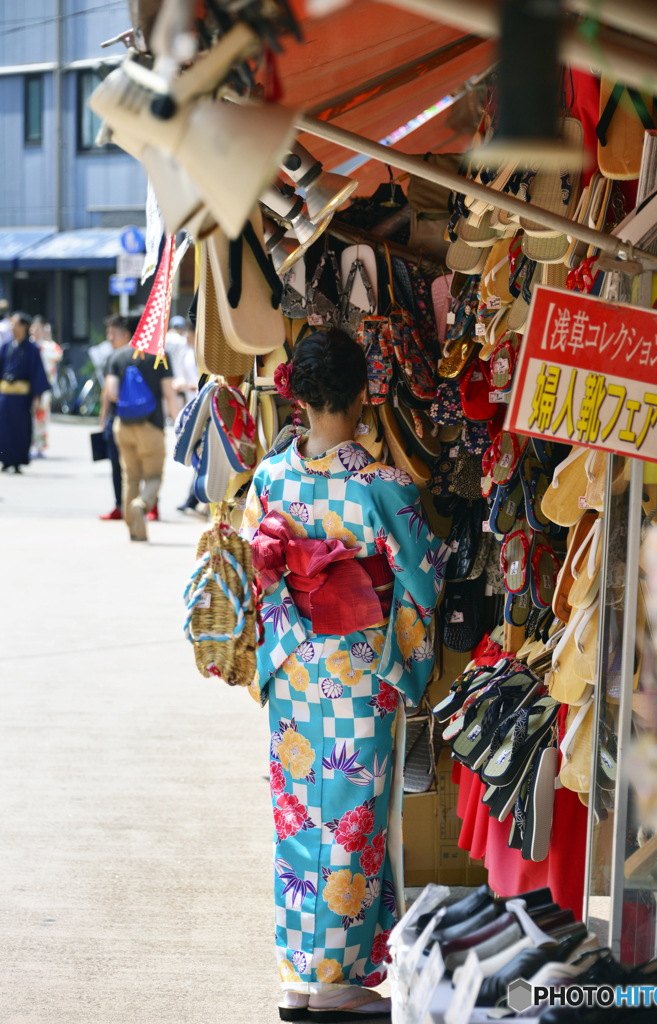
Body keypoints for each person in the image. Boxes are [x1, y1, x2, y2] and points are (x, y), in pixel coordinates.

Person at [239, 330, 449, 1021]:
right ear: (365, 392)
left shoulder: (271, 477)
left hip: (295, 671)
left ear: (296, 395)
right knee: (352, 820)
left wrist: (280, 643)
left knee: (297, 817)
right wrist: (410, 663)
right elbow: (420, 580)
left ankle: (299, 973)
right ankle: (335, 980)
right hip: (360, 673)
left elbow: (261, 571)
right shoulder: (383, 486)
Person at [105, 336, 181, 541]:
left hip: (123, 426)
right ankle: (142, 504)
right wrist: (179, 425)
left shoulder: (117, 356)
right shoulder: (159, 356)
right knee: (154, 476)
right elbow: (169, 393)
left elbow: (112, 392)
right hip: (151, 426)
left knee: (130, 477)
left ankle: (133, 530)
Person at [0, 311, 50, 472]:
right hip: (5, 396)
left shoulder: (32, 349)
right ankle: (5, 459)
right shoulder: (6, 346)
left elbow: (37, 374)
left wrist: (36, 397)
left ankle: (18, 461)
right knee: (4, 428)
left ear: (23, 326)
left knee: (21, 429)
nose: (12, 327)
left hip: (22, 398)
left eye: (15, 324)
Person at [98, 315, 131, 521]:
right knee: (139, 466)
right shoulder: (146, 355)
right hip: (143, 418)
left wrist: (103, 418)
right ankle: (147, 505)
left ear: (126, 335)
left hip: (119, 419)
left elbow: (109, 392)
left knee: (118, 466)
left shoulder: (115, 358)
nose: (110, 337)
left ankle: (121, 505)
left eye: (114, 333)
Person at [173, 326, 206, 518]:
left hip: (205, 409)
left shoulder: (205, 353)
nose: (186, 335)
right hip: (193, 410)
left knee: (201, 456)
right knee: (198, 456)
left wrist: (190, 385)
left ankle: (197, 500)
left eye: (189, 332)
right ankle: (195, 500)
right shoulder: (187, 354)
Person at [30, 315, 62, 458]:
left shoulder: (48, 346)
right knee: (28, 416)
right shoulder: (29, 345)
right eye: (34, 328)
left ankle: (40, 447)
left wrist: (48, 340)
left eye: (39, 329)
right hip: (29, 386)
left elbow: (57, 355)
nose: (36, 332)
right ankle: (29, 445)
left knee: (42, 416)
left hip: (43, 386)